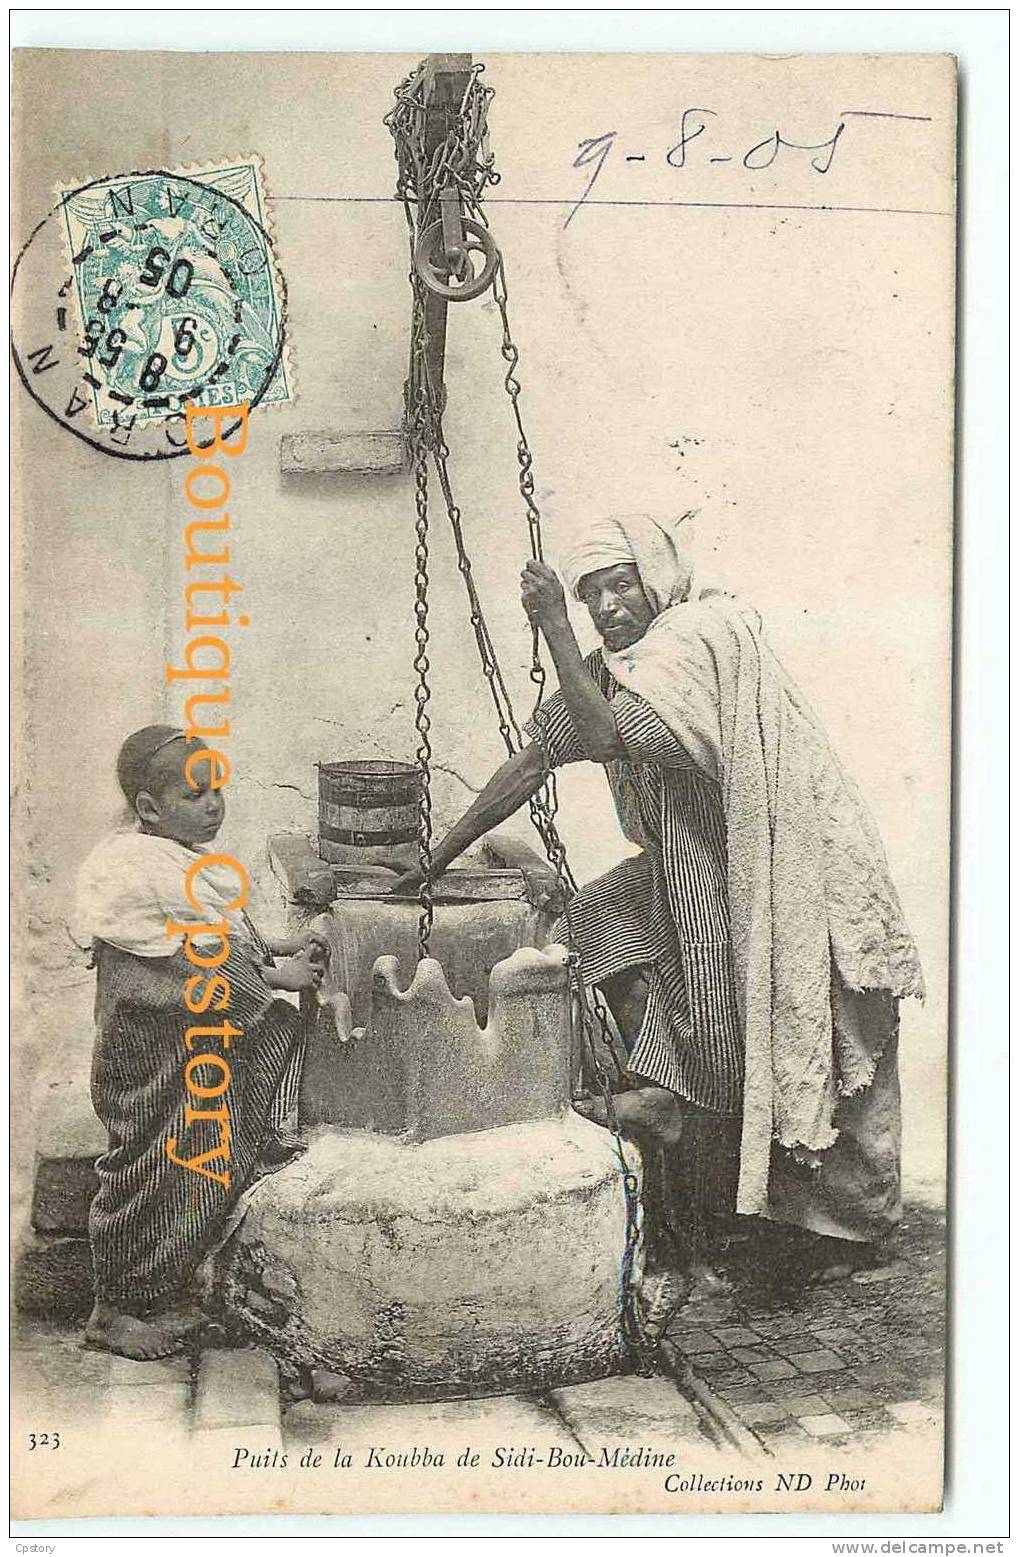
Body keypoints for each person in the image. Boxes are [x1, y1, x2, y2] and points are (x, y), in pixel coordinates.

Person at [391, 514, 924, 1294]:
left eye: (620, 585)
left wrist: (552, 625)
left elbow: (606, 734)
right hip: (682, 861)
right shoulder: (614, 667)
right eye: (590, 594)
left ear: (656, 576)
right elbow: (531, 761)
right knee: (594, 923)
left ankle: (833, 1220)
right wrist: (434, 855)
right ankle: (670, 1097)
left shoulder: (690, 642)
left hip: (759, 864)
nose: (607, 607)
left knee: (791, 1027)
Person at [75, 725, 326, 1360]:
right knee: (147, 1168)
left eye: (217, 790)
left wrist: (277, 947)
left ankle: (158, 1293)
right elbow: (189, 961)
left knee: (192, 1165)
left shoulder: (173, 858)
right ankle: (115, 1309)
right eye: (194, 795)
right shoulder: (133, 872)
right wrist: (276, 977)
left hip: (183, 1053)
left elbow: (220, 932)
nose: (212, 805)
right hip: (149, 1061)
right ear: (149, 808)